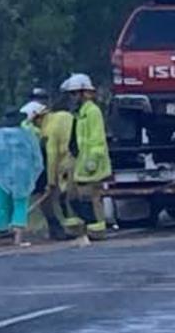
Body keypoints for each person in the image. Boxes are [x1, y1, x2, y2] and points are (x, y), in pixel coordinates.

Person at [61, 73, 112, 243]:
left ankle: (97, 230)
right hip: (78, 162)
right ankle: (76, 229)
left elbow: (97, 140)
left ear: (85, 93)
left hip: (90, 164)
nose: (73, 97)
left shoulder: (92, 111)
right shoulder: (79, 113)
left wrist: (92, 162)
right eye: (71, 94)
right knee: (72, 196)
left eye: (75, 93)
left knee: (90, 198)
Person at [0, 108, 43, 248]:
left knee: (0, 204)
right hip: (23, 175)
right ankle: (18, 237)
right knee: (20, 203)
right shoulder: (28, 135)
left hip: (2, 174)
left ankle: (0, 233)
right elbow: (36, 157)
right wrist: (34, 174)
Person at [22, 100, 77, 240]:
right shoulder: (64, 116)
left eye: (35, 122)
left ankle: (68, 229)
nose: (36, 126)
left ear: (39, 117)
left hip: (65, 164)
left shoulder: (48, 129)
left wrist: (51, 181)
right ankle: (71, 228)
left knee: (64, 199)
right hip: (79, 160)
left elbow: (52, 157)